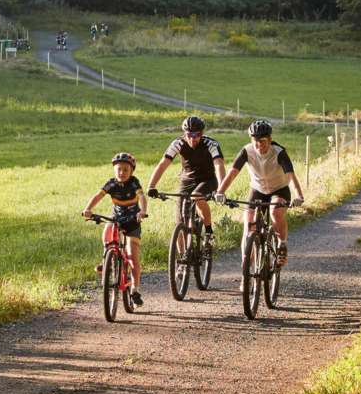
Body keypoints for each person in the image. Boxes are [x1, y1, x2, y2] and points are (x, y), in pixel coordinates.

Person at [220, 119, 306, 266]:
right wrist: (220, 192)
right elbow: (232, 173)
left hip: (279, 190)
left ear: (270, 140)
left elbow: (290, 176)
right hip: (257, 189)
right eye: (256, 140)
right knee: (248, 226)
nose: (259, 144)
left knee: (275, 213)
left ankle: (282, 245)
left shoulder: (279, 153)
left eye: (263, 140)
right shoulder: (247, 151)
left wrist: (299, 196)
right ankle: (246, 269)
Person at [147, 115, 227, 251]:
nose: (191, 139)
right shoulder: (178, 143)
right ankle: (182, 261)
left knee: (197, 196)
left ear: (202, 133)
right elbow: (163, 164)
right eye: (188, 135)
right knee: (178, 225)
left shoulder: (211, 144)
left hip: (207, 180)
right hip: (186, 180)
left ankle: (208, 232)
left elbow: (219, 165)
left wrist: (222, 190)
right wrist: (151, 186)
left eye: (195, 135)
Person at [82, 151, 148, 307]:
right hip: (116, 219)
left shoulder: (134, 183)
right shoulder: (111, 183)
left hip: (132, 221)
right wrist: (88, 209)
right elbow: (98, 195)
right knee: (107, 230)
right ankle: (107, 260)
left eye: (126, 170)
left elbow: (142, 197)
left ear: (132, 171)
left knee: (132, 256)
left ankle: (135, 290)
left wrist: (142, 211)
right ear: (114, 170)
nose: (122, 173)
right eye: (119, 169)